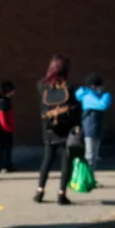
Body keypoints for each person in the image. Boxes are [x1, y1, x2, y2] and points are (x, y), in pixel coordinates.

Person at [35, 55, 80, 205]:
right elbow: (75, 109)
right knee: (65, 161)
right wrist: (77, 126)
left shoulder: (42, 85)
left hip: (48, 127)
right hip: (65, 128)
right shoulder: (70, 87)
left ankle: (39, 191)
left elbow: (43, 106)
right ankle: (62, 194)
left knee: (47, 159)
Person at [75, 73, 112, 173]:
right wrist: (106, 95)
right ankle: (87, 177)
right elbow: (102, 105)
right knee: (90, 154)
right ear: (93, 86)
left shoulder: (91, 95)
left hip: (95, 127)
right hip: (90, 128)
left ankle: (90, 177)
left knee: (94, 154)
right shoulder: (88, 96)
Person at [0, 80, 16, 173]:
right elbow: (1, 116)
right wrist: (6, 128)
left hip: (8, 128)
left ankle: (8, 164)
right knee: (4, 148)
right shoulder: (2, 102)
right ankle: (3, 165)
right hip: (4, 129)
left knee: (8, 148)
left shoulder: (6, 101)